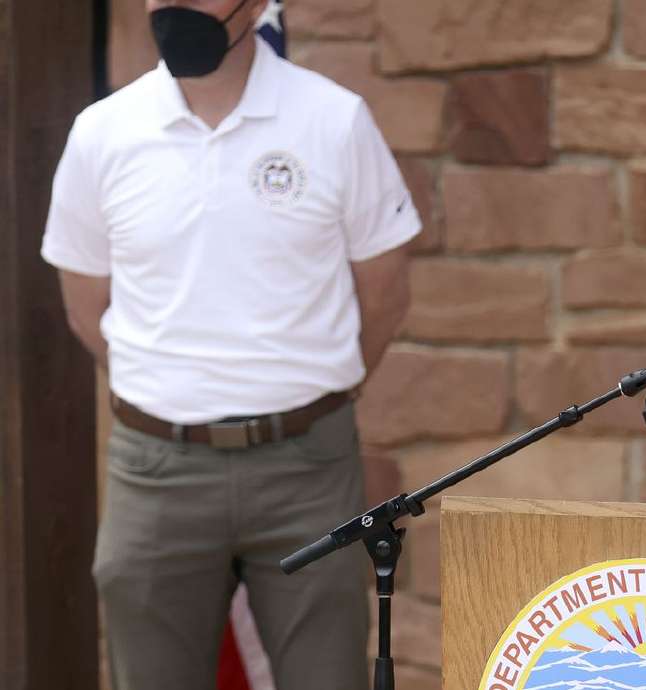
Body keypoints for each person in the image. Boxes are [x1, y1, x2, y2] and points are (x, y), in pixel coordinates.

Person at [40, 0, 421, 688]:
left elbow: (386, 292)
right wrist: (170, 394)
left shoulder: (334, 121)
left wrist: (309, 389)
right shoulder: (102, 133)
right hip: (155, 474)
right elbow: (83, 307)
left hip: (308, 468)